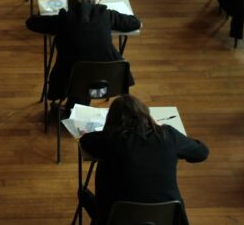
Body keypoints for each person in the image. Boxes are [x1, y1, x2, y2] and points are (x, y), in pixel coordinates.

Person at [79, 94, 209, 224]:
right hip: (168, 216)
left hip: (118, 218)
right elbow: (201, 153)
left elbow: (85, 141)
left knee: (84, 193)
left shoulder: (111, 139)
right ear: (146, 116)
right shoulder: (167, 135)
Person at [26, 0, 141, 103]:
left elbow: (31, 22)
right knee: (85, 71)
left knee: (79, 72)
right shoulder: (106, 14)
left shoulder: (64, 18)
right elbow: (135, 23)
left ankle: (71, 111)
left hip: (70, 80)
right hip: (108, 78)